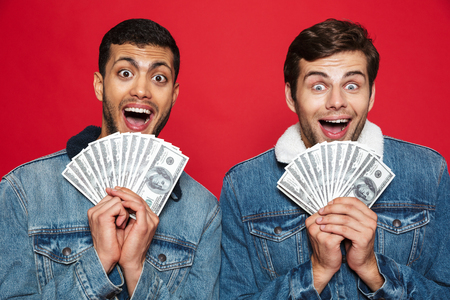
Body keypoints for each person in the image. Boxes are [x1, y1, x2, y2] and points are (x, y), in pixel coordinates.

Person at [219, 19, 450, 299]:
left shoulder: (428, 173)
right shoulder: (242, 186)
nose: (336, 101)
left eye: (352, 85)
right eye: (318, 86)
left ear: (371, 95)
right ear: (291, 97)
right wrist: (315, 272)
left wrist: (373, 270)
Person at [0, 19, 221, 299]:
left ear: (173, 96)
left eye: (159, 78)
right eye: (126, 72)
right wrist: (99, 262)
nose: (142, 90)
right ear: (99, 86)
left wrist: (137, 269)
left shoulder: (203, 212)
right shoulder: (23, 192)